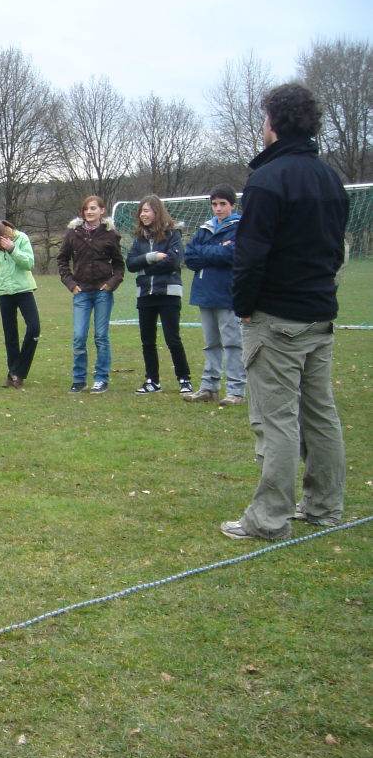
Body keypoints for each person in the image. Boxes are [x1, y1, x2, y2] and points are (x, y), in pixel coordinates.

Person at [221, 83, 349, 541]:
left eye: (264, 118)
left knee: (277, 420)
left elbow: (251, 256)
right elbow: (336, 251)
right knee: (320, 415)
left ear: (273, 123)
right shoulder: (330, 178)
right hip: (319, 314)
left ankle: (269, 518)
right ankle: (323, 506)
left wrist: (244, 307)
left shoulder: (267, 180)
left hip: (277, 319)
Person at [182, 185, 245, 405]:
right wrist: (216, 251)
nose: (218, 208)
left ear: (233, 205)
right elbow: (190, 257)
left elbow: (233, 254)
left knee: (232, 343)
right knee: (211, 344)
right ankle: (209, 387)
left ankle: (236, 390)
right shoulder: (205, 229)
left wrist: (206, 252)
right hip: (205, 293)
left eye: (223, 204)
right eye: (215, 204)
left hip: (227, 293)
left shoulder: (240, 227)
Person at [56, 195, 124, 394]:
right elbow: (62, 260)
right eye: (86, 209)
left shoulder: (110, 235)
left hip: (103, 292)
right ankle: (79, 379)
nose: (89, 212)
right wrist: (70, 284)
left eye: (93, 208)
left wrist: (112, 283)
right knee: (79, 336)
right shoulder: (73, 233)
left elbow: (119, 264)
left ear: (102, 211)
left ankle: (101, 378)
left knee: (101, 336)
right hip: (81, 292)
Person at [126, 194, 192, 395]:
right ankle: (152, 381)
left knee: (172, 339)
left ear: (157, 211)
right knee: (147, 341)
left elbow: (173, 262)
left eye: (146, 210)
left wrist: (145, 268)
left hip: (168, 293)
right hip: (145, 294)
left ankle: (184, 379)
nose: (143, 214)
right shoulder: (139, 239)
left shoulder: (173, 234)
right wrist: (151, 257)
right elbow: (131, 264)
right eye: (141, 211)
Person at [0, 220, 39, 390]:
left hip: (24, 289)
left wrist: (12, 249)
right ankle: (13, 375)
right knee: (10, 335)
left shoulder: (21, 238)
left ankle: (19, 370)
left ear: (4, 236)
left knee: (34, 328)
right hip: (4, 293)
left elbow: (29, 263)